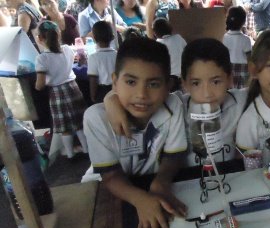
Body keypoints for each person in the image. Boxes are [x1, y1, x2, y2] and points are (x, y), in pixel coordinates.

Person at [83, 37, 188, 228]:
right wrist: (140, 199)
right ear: (114, 82)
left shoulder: (173, 105)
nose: (141, 94)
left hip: (149, 184)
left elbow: (174, 156)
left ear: (168, 86)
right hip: (108, 191)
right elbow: (110, 177)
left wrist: (161, 182)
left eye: (154, 84)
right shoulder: (96, 118)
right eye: (130, 82)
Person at [104, 38, 248, 167]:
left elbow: (263, 88)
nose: (207, 94)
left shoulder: (240, 101)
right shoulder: (175, 106)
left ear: (230, 79)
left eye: (216, 81)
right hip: (186, 182)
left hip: (226, 180)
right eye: (196, 83)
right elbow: (145, 96)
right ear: (184, 84)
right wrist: (111, 99)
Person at [34, 20, 89, 159]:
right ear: (58, 34)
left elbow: (39, 85)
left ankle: (70, 155)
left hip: (57, 93)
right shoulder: (67, 49)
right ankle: (87, 150)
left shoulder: (42, 58)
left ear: (40, 38)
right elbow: (79, 60)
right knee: (79, 123)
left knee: (65, 128)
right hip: (73, 88)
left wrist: (37, 84)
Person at [153, 17, 186, 92]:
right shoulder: (178, 38)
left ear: (155, 32)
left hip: (167, 79)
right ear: (170, 28)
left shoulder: (157, 45)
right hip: (182, 76)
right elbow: (187, 51)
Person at [87, 20, 116, 103]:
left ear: (94, 38)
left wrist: (93, 96)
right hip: (118, 89)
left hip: (103, 92)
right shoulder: (117, 54)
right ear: (112, 36)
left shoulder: (93, 57)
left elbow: (93, 79)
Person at [223, 6, 251, 89]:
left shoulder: (225, 37)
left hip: (230, 67)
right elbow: (249, 58)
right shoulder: (246, 39)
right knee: (244, 91)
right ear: (243, 22)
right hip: (244, 69)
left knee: (232, 90)